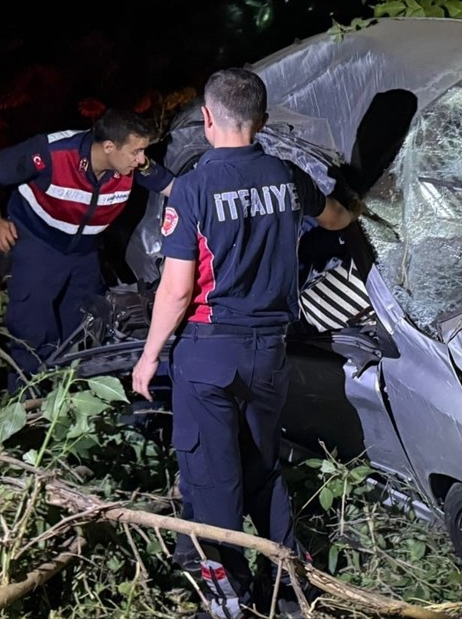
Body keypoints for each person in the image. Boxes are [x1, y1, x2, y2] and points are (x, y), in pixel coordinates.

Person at [130, 68, 353, 618]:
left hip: (210, 352)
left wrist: (150, 355)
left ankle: (227, 598)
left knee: (211, 478)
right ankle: (290, 588)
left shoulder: (194, 188)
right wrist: (355, 197)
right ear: (263, 120)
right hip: (270, 353)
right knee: (262, 466)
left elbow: (178, 289)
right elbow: (337, 217)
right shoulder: (286, 176)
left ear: (207, 119)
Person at [0, 109, 174, 393]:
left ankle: (70, 403)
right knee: (33, 330)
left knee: (82, 327)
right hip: (37, 243)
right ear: (109, 147)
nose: (142, 159)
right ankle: (25, 405)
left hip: (83, 251)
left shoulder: (130, 165)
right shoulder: (54, 152)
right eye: (136, 151)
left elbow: (174, 188)